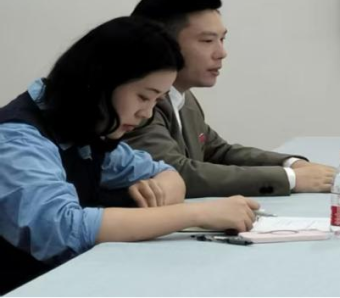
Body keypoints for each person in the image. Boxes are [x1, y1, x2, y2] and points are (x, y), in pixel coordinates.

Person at [0, 17, 258, 294]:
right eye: (143, 97)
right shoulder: (17, 139)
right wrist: (198, 214)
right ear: (101, 81)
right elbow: (63, 229)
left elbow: (167, 174)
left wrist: (159, 193)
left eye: (157, 101)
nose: (146, 113)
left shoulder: (85, 129)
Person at [123, 0, 336, 198]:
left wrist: (291, 164)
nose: (221, 53)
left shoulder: (181, 96)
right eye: (207, 41)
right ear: (162, 44)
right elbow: (175, 173)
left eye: (222, 39)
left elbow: (217, 152)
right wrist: (290, 179)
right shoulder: (138, 105)